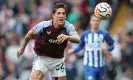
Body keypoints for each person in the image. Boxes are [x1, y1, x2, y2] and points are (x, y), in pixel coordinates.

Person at [17, 3, 80, 80]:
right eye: (59, 13)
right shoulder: (44, 25)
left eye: (63, 13)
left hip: (57, 59)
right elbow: (30, 33)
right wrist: (22, 48)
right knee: (34, 78)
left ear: (65, 16)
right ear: (53, 15)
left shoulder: (68, 27)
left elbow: (77, 39)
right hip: (42, 57)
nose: (61, 15)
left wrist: (67, 37)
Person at [68, 14, 114, 80]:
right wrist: (73, 50)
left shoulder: (103, 34)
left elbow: (110, 45)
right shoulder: (82, 34)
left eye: (97, 21)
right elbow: (80, 46)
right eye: (93, 20)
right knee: (80, 76)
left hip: (99, 63)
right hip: (83, 61)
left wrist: (107, 50)